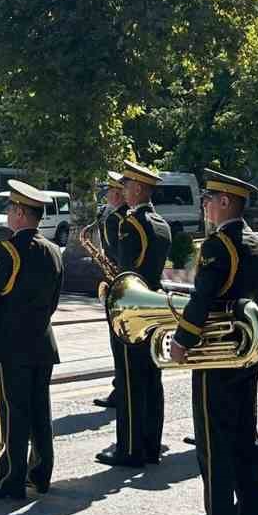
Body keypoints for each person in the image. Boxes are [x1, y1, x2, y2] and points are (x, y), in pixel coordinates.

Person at [167, 170, 258, 515]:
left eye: (210, 198)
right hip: (247, 358)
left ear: (226, 202)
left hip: (217, 363)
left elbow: (202, 299)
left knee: (213, 445)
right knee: (246, 442)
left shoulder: (218, 246)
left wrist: (182, 340)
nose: (206, 205)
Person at [0, 179, 62, 501]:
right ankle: (41, 474)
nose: (8, 214)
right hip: (42, 342)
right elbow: (53, 303)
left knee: (14, 412)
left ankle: (10, 479)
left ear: (20, 213)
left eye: (10, 209)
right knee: (39, 411)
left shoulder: (7, 250)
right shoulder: (53, 251)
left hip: (11, 345)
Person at [97, 160, 172, 468]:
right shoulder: (161, 223)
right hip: (155, 306)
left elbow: (125, 270)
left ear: (139, 188)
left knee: (129, 380)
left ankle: (129, 448)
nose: (123, 190)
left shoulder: (132, 223)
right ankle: (151, 445)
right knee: (152, 378)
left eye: (126, 185)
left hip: (133, 312)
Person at [92, 171, 130, 409]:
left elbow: (117, 255)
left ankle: (121, 389)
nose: (107, 195)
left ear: (118, 194)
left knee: (119, 344)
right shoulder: (118, 217)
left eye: (110, 191)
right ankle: (123, 387)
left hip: (119, 287)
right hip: (123, 286)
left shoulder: (117, 220)